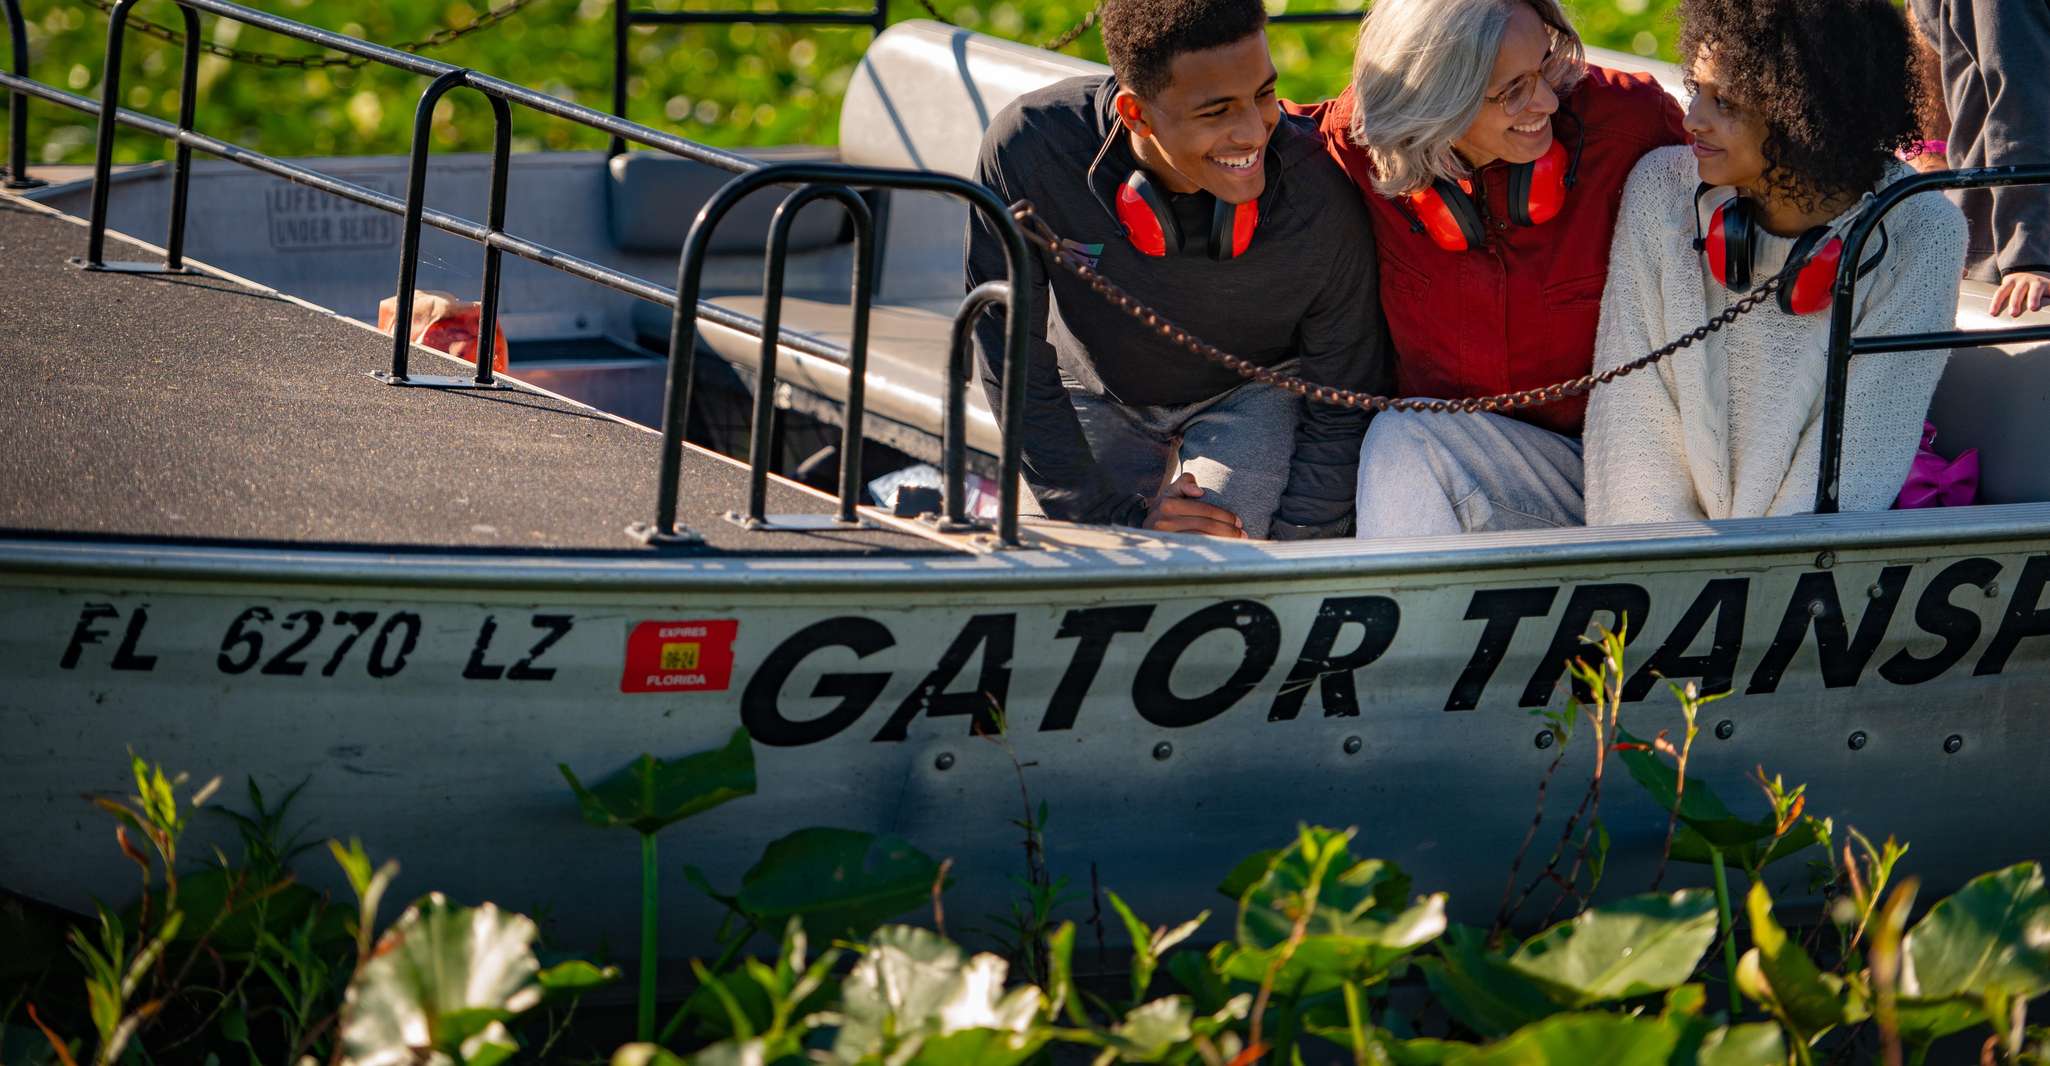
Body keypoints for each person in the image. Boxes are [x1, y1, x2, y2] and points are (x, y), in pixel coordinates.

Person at [964, 0, 1390, 540]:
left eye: (1263, 95)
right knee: (1061, 554)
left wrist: (1288, 558)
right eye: (1216, 112)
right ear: (1134, 113)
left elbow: (1342, 404)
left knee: (1217, 551)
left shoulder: (1319, 195)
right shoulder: (1028, 149)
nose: (1253, 133)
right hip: (1095, 384)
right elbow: (1007, 353)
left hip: (1252, 393)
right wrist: (1108, 518)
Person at [1287, 0, 1685, 538]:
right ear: (1431, 101)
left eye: (1545, 66)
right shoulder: (1355, 144)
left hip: (1621, 480)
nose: (1545, 99)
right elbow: (1236, 131)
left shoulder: (1634, 124)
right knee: (1405, 439)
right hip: (1463, 475)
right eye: (1512, 90)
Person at [1581, 0, 1966, 524]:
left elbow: (1862, 457)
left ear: (1806, 109)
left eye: (1727, 103)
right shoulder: (1661, 191)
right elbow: (1632, 427)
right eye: (1697, 90)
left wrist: (1753, 582)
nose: (1692, 119)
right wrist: (1664, 575)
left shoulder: (1924, 230)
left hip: (1798, 584)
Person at [1907, 0, 2050, 318]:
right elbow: (2014, 99)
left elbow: (2019, 94)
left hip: (2012, 253)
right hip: (2003, 252)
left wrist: (2028, 250)